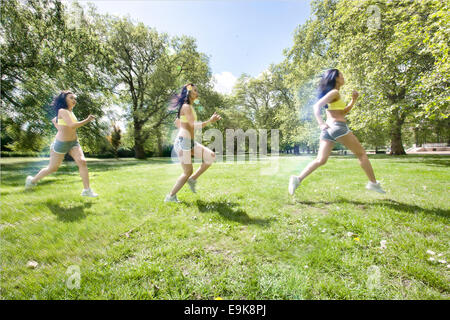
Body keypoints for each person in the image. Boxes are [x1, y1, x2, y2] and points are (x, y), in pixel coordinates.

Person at [288, 69, 385, 195]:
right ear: (336, 78)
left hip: (329, 130)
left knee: (320, 160)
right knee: (361, 154)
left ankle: (297, 179)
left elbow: (342, 112)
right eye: (341, 75)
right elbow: (316, 106)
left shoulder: (335, 94)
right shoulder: (334, 92)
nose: (343, 77)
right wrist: (321, 123)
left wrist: (353, 100)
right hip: (337, 127)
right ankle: (373, 183)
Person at [25, 91, 98, 197]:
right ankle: (32, 181)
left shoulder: (70, 112)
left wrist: (56, 122)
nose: (74, 100)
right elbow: (72, 126)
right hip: (61, 144)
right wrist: (87, 120)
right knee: (52, 168)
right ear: (64, 100)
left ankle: (87, 190)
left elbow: (64, 128)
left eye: (74, 98)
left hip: (74, 143)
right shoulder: (62, 111)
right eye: (71, 98)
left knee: (82, 162)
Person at [165, 84, 221, 203]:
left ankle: (193, 179)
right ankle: (170, 197)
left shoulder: (188, 107)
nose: (197, 92)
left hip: (189, 142)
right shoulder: (186, 107)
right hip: (183, 142)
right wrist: (210, 121)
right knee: (187, 172)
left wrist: (182, 125)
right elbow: (193, 125)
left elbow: (178, 122)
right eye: (195, 90)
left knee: (210, 156)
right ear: (189, 93)